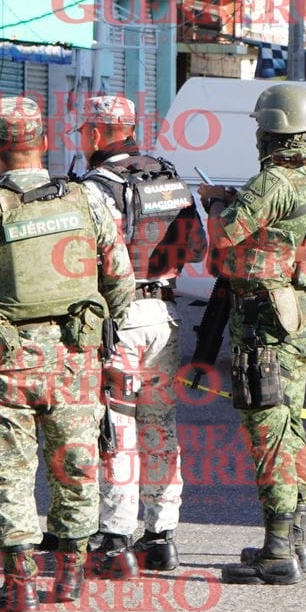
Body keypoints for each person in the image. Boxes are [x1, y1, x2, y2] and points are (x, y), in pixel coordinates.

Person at [0, 96, 134, 612]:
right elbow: (121, 282)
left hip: (5, 360)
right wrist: (95, 326)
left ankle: (19, 585)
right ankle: (70, 577)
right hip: (76, 357)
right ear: (43, 143)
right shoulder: (87, 201)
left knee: (10, 470)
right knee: (77, 463)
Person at [197, 83, 306, 586]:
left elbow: (224, 235)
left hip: (266, 325)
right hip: (304, 315)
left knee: (269, 435)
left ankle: (277, 551)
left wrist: (214, 206)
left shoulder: (272, 181)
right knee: (291, 427)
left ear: (271, 132)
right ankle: (296, 539)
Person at [73, 94, 207, 579]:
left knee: (117, 428)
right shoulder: (168, 176)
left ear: (95, 133)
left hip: (121, 319)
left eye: (82, 131)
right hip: (164, 316)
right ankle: (161, 536)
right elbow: (197, 248)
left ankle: (114, 538)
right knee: (159, 426)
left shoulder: (95, 187)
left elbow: (83, 262)